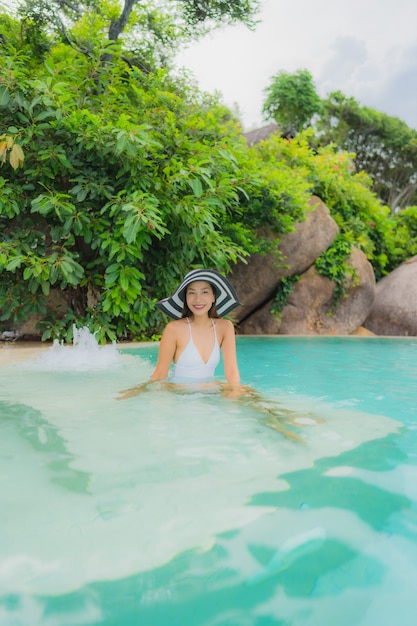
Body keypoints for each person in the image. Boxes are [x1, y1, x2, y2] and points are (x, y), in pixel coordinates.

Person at [117, 269, 242, 398]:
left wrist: (235, 397)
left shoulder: (225, 327)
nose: (198, 299)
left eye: (205, 292)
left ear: (213, 297)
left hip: (210, 393)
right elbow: (160, 374)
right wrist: (135, 391)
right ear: (185, 298)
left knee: (256, 401)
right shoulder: (174, 329)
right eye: (191, 293)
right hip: (179, 395)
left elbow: (232, 373)